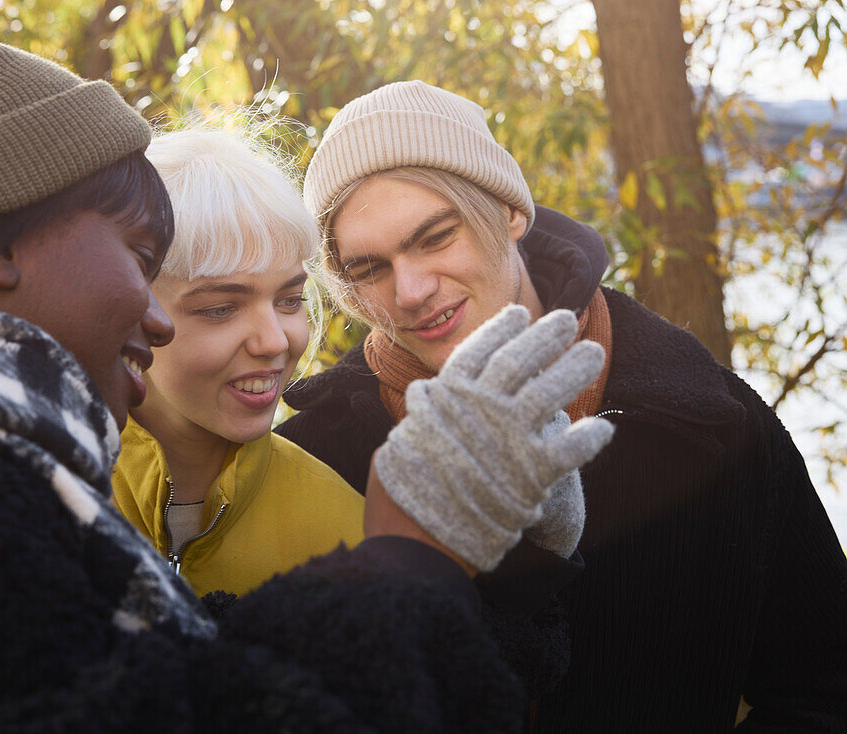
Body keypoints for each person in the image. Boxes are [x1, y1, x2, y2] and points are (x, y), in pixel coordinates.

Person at [0, 42, 614, 733]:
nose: (155, 322)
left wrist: (512, 569)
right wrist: (407, 556)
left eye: (287, 297)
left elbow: (185, 671)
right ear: (0, 247)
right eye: (139, 257)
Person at [277, 79, 847, 733]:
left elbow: (825, 693)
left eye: (434, 237)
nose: (409, 290)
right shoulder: (311, 458)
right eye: (369, 268)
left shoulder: (713, 423)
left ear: (509, 212)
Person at [111, 125, 364, 596]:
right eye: (221, 309)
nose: (273, 341)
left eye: (289, 300)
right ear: (131, 308)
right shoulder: (35, 493)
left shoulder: (346, 538)